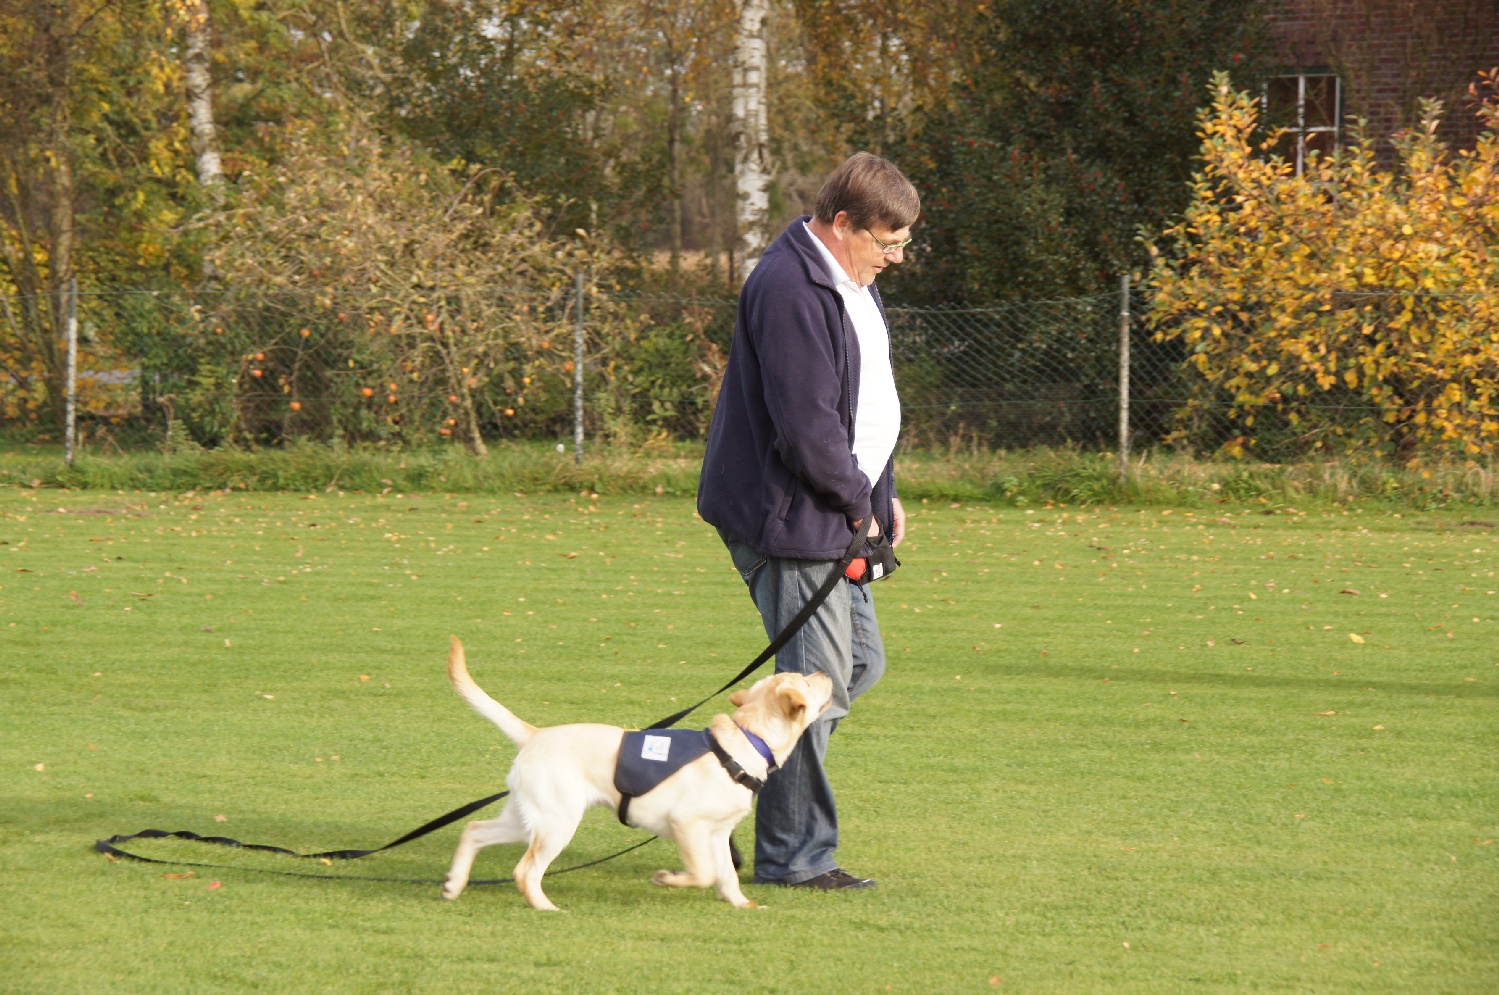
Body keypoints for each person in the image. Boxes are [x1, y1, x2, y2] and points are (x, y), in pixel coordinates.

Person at [697, 151, 918, 890]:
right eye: (885, 241)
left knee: (854, 668)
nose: (894, 257)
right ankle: (793, 856)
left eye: (902, 244)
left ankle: (704, 798)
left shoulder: (851, 280)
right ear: (842, 222)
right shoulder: (790, 285)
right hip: (788, 515)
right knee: (809, 693)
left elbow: (867, 401)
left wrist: (879, 493)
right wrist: (858, 503)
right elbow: (807, 429)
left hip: (836, 508)